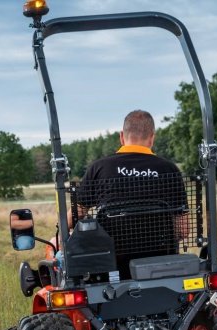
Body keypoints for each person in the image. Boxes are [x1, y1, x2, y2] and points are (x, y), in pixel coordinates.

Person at [74, 110, 189, 276]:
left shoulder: (99, 168)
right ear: (152, 138)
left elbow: (76, 215)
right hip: (160, 260)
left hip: (111, 264)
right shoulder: (169, 170)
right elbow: (183, 230)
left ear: (122, 136)